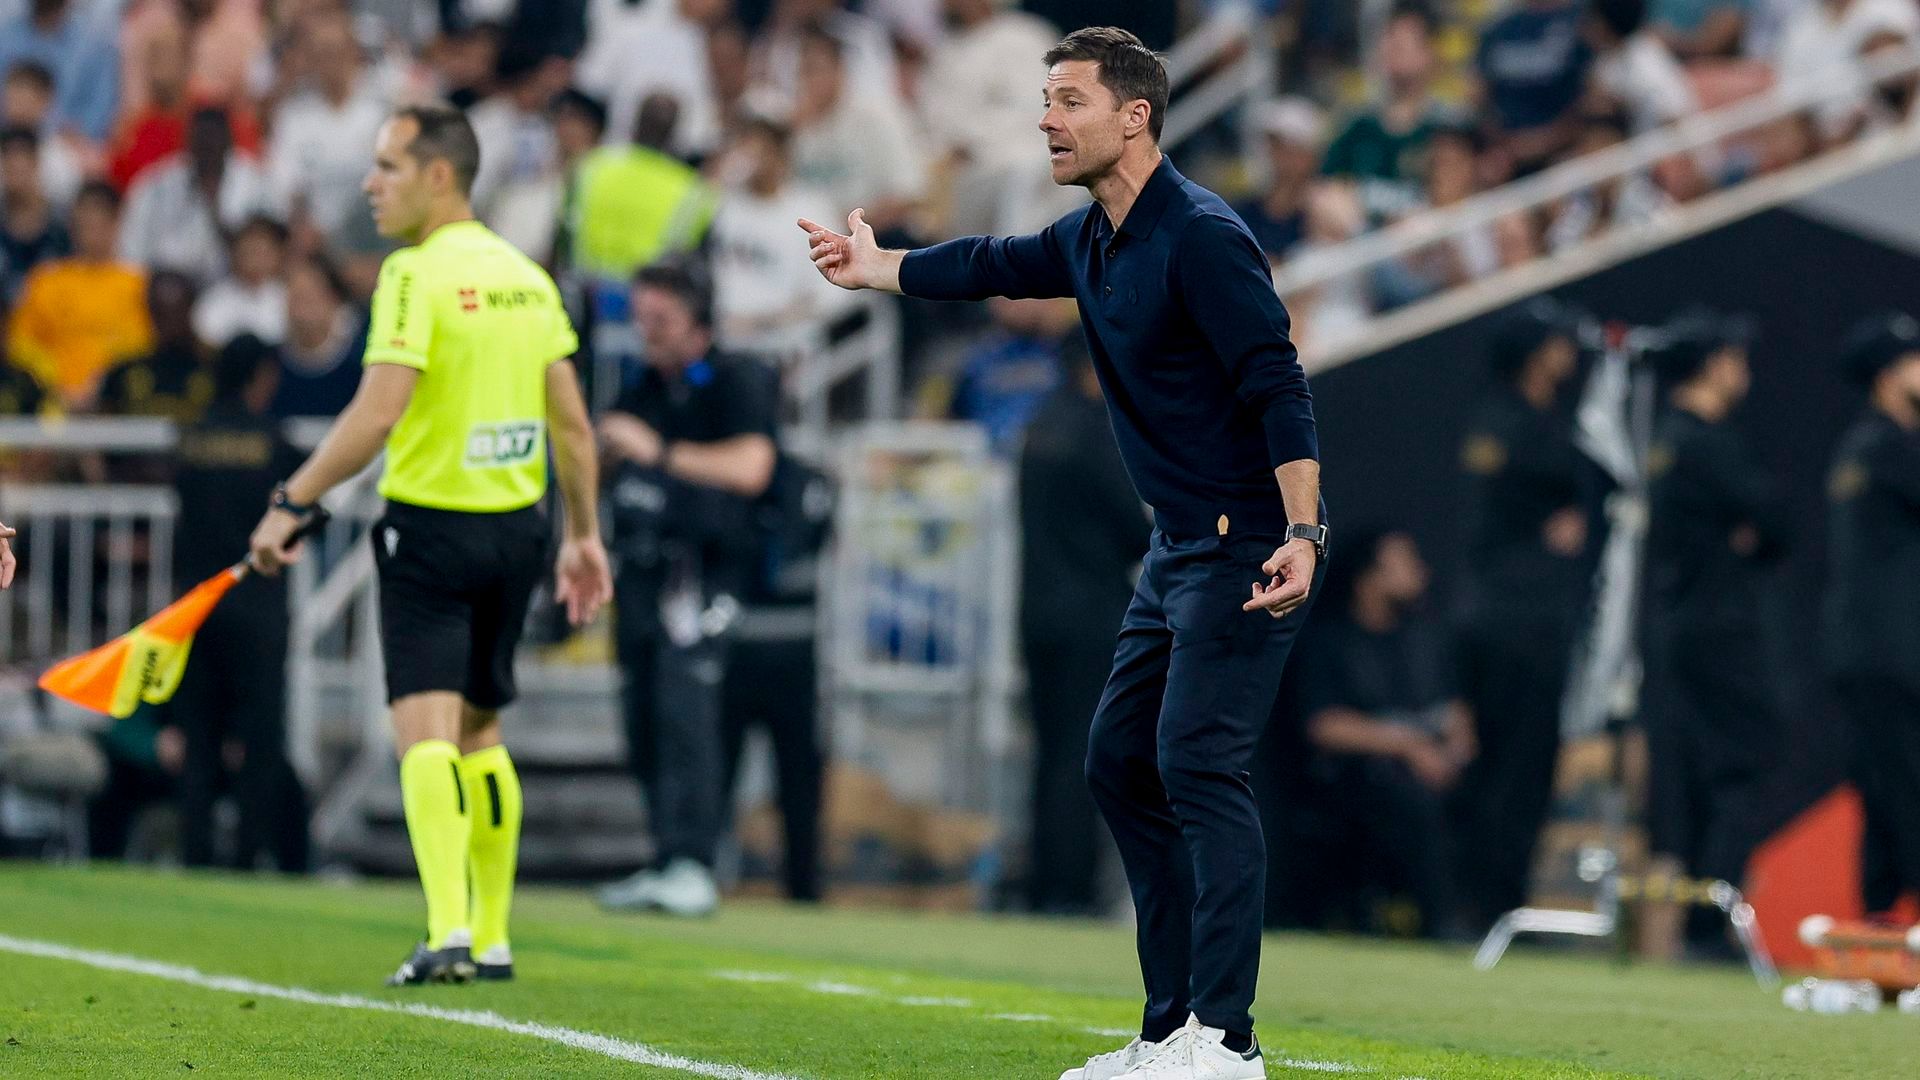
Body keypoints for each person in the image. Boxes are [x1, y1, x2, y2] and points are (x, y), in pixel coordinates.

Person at [799, 27, 1323, 1080]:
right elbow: (988, 263)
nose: (1046, 117)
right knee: (1117, 764)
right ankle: (1170, 1028)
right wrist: (878, 267)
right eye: (1045, 98)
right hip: (1174, 552)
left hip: (1245, 545)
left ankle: (1229, 1040)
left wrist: (1304, 534)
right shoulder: (1093, 239)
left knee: (1197, 768)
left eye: (1068, 99)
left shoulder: (1201, 234)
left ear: (1134, 116)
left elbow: (1280, 384)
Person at [245, 103, 612, 986]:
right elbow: (572, 425)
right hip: (520, 532)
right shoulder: (528, 277)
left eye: (388, 167)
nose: (372, 184)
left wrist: (291, 501)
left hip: (433, 530)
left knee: (423, 735)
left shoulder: (413, 274)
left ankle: (445, 929)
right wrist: (586, 536)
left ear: (439, 174)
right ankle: (492, 937)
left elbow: (378, 411)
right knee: (483, 733)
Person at [594, 261, 778, 918]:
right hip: (643, 571)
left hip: (708, 569)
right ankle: (665, 854)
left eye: (661, 321)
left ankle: (695, 860)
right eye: (640, 319)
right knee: (640, 715)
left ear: (698, 325)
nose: (647, 333)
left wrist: (655, 453)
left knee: (686, 707)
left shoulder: (738, 379)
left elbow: (753, 468)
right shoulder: (640, 386)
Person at [1452, 298, 1594, 932]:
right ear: (1536, 356)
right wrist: (1552, 525)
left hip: (1518, 612)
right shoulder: (1514, 424)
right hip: (1517, 618)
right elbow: (1585, 486)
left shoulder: (1532, 422)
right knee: (1510, 762)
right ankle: (1482, 902)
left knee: (1524, 762)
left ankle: (1495, 899)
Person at [1642, 309, 1786, 928]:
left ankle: (1702, 916)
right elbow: (1777, 523)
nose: (1742, 370)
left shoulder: (1664, 440)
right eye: (1735, 357)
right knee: (1742, 763)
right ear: (1713, 365)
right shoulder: (1708, 443)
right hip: (1720, 624)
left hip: (1679, 623)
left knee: (1699, 768)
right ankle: (1712, 920)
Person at [1283, 527, 1473, 938]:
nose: (1420, 572)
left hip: (1434, 771)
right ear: (1368, 575)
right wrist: (1408, 747)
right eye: (1405, 562)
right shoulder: (1329, 641)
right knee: (1407, 798)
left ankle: (1480, 912)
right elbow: (1323, 725)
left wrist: (1455, 746)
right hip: (1354, 780)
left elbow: (1453, 707)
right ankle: (1440, 922)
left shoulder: (1423, 638)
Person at [170, 335, 311, 872]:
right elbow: (309, 504)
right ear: (261, 377)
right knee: (260, 735)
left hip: (199, 602)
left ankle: (196, 851)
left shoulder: (190, 439)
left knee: (200, 734)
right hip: (257, 605)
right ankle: (251, 851)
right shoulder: (273, 441)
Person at [1018, 334, 1145, 917]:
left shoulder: (1039, 426)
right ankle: (1070, 890)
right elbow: (1133, 524)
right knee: (1084, 755)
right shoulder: (1094, 433)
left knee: (1049, 754)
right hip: (1091, 615)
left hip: (1039, 614)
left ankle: (1045, 882)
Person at [1824, 312, 1920, 916]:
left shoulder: (1863, 446)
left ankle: (1879, 931)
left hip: (1867, 654)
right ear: (1889, 376)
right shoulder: (1892, 448)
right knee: (1907, 791)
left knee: (1885, 795)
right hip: (1894, 656)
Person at [6, 180, 150, 409]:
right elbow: (22, 343)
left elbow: (140, 344)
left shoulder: (137, 285)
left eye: (97, 222)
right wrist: (55, 382)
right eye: (82, 222)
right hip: (50, 403)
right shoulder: (45, 281)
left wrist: (102, 384)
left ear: (116, 223)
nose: (89, 230)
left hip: (116, 404)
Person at [1321, 2, 1452, 225]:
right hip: (1365, 241)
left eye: (1403, 43)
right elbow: (1325, 185)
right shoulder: (1358, 125)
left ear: (1429, 53)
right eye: (1388, 39)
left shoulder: (1450, 126)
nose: (1391, 48)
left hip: (1428, 242)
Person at [119, 106, 279, 283]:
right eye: (202, 146)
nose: (207, 154)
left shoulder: (255, 184)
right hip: (169, 289)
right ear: (189, 144)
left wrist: (215, 208)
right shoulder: (155, 186)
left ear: (228, 143)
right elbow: (131, 255)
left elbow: (272, 247)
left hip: (233, 287)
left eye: (213, 146)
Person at [271, 252, 365, 418]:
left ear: (334, 299)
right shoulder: (269, 366)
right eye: (296, 298)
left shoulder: (360, 361)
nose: (303, 310)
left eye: (310, 297)